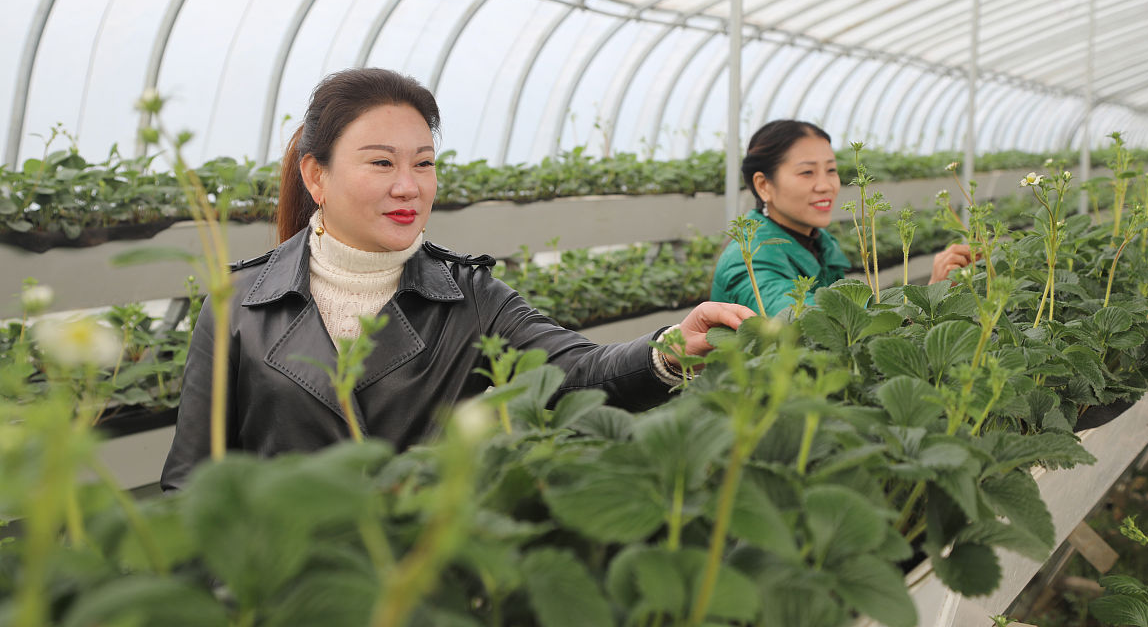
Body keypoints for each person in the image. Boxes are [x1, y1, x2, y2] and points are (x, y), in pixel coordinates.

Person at [161, 69, 752, 491]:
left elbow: (576, 371)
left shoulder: (465, 296)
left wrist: (674, 348)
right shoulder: (240, 303)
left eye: (424, 162)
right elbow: (193, 479)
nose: (408, 186)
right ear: (316, 175)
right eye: (381, 162)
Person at [710, 120, 973, 317]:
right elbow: (810, 323)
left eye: (831, 170)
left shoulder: (818, 243)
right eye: (807, 172)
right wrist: (927, 298)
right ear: (764, 185)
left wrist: (936, 290)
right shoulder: (749, 260)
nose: (826, 185)